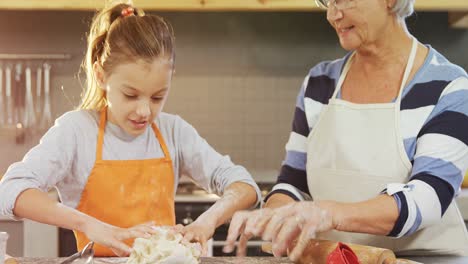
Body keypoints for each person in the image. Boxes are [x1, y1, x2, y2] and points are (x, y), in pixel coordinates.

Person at [0, 2, 260, 257]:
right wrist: (90, 225)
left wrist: (208, 221)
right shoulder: (77, 131)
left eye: (157, 97)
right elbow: (9, 192)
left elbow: (245, 185)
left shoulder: (173, 132)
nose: (145, 111)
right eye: (130, 95)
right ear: (101, 76)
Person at [224, 0, 468, 260]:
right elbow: (294, 183)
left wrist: (328, 213)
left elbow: (427, 198)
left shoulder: (449, 87)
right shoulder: (320, 84)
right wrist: (276, 213)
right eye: (326, 2)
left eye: (344, 0)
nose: (332, 14)